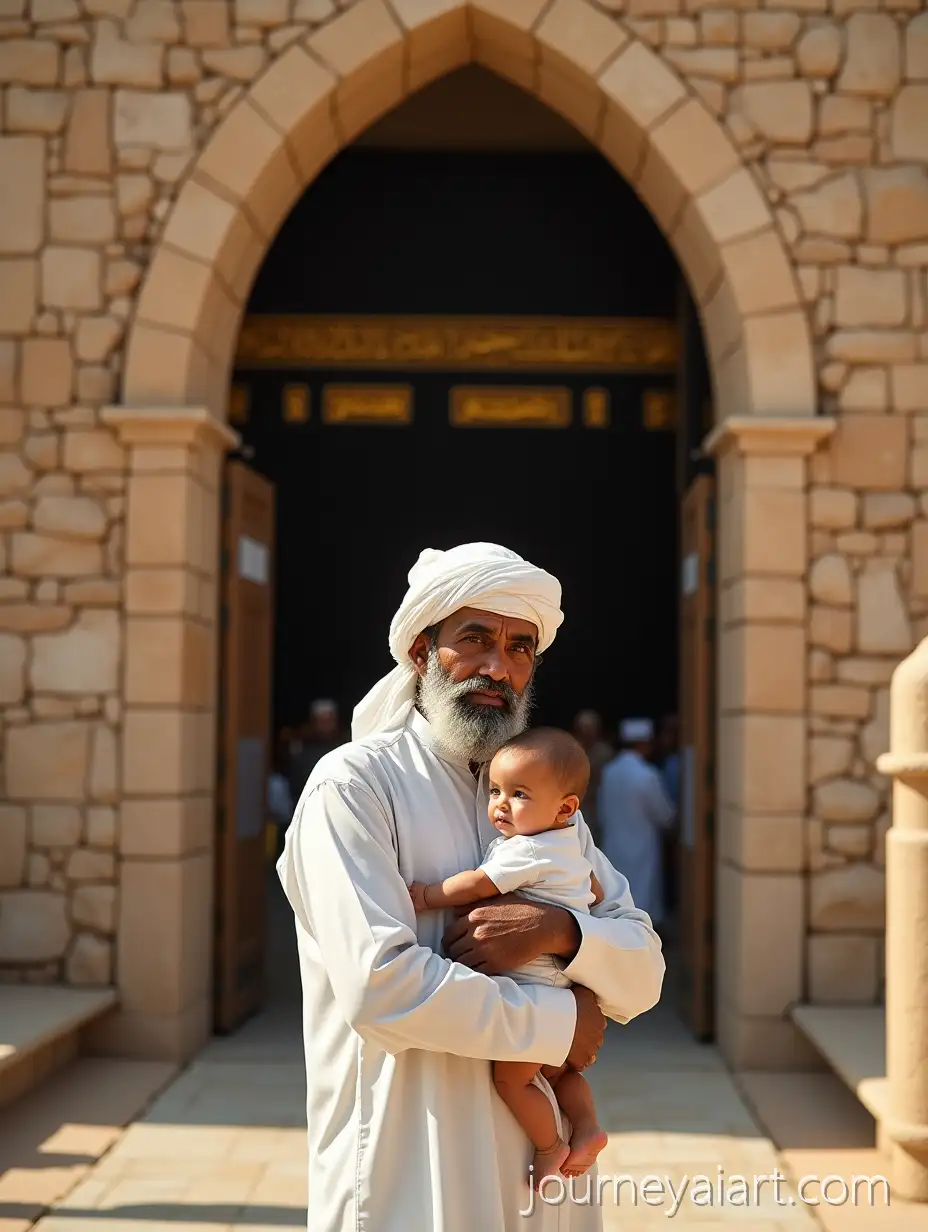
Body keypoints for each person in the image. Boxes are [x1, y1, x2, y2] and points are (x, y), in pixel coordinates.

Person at [277, 542, 664, 1232]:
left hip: (546, 1179)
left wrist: (563, 934)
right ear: (422, 654)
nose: (498, 667)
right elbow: (382, 988)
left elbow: (643, 972)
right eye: (475, 641)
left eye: (520, 649)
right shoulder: (355, 786)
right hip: (411, 1175)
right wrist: (562, 1021)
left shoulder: (537, 799)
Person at [408, 727, 608, 1187]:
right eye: (495, 790)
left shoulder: (528, 850)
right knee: (560, 1074)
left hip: (535, 989)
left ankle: (550, 1146)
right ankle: (589, 1128)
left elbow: (479, 883)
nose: (500, 804)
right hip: (562, 982)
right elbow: (594, 891)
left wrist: (429, 894)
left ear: (565, 808)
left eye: (519, 795)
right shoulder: (570, 847)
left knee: (512, 1082)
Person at [596, 717, 676, 928]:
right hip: (642, 846)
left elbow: (602, 812)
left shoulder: (609, 772)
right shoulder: (647, 775)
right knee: (641, 899)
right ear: (644, 743)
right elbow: (664, 815)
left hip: (613, 845)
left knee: (616, 898)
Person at [287, 698, 341, 803]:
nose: (325, 726)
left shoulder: (345, 748)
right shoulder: (302, 753)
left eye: (329, 721)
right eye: (321, 721)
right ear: (313, 722)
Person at [571, 709, 614, 842]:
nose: (588, 732)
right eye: (584, 728)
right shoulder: (571, 750)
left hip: (601, 808)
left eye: (591, 728)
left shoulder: (605, 752)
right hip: (576, 810)